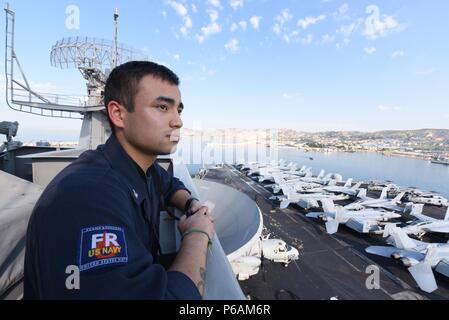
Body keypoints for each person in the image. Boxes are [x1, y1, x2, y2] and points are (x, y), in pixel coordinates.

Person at [24, 61, 215, 299]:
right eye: (162, 107)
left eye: (179, 110)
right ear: (118, 114)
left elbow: (169, 186)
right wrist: (197, 233)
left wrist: (190, 204)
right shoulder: (87, 196)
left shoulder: (143, 167)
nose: (178, 121)